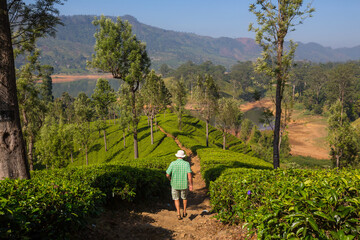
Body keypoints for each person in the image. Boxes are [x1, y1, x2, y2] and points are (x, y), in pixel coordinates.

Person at [166, 150, 193, 220]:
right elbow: (189, 175)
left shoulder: (173, 163)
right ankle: (184, 211)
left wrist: (170, 179)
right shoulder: (186, 164)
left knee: (176, 199)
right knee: (184, 197)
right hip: (184, 184)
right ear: (183, 157)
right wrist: (190, 185)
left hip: (174, 184)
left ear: (177, 156)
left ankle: (178, 213)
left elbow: (167, 174)